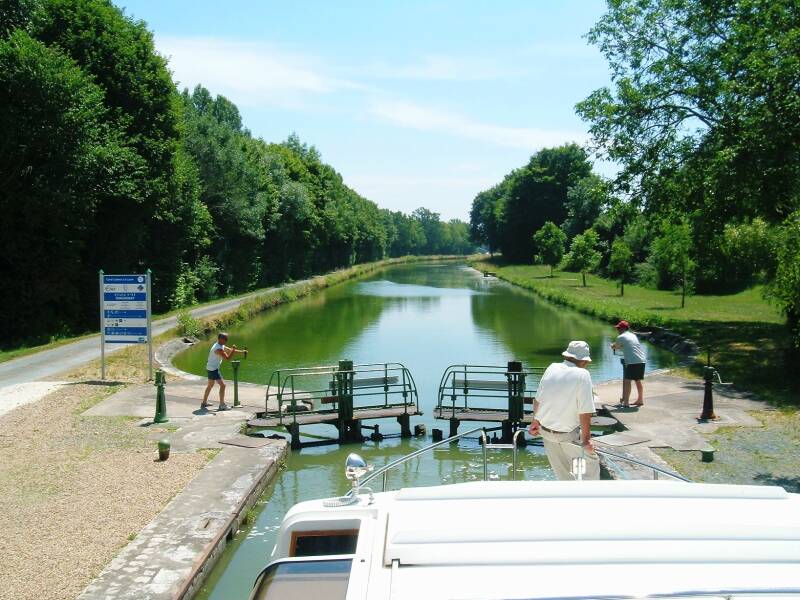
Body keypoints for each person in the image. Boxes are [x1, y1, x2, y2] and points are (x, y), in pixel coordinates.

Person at [528, 341, 599, 481]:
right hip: (568, 435)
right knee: (590, 471)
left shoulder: (552, 367)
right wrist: (586, 440)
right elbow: (585, 411)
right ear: (583, 361)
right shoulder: (583, 374)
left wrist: (534, 421)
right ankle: (589, 500)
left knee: (563, 476)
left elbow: (538, 399)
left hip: (546, 433)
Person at [202, 332, 246, 411]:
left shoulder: (220, 345)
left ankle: (204, 403)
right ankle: (222, 405)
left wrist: (242, 352)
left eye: (227, 339)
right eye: (225, 339)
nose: (226, 340)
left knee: (210, 386)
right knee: (223, 385)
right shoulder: (218, 348)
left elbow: (230, 350)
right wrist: (233, 350)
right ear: (220, 339)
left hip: (210, 368)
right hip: (214, 369)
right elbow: (227, 358)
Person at [610, 320, 646, 407]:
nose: (617, 330)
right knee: (638, 380)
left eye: (618, 328)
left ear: (623, 328)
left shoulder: (621, 337)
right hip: (641, 360)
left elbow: (616, 347)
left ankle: (626, 403)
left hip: (632, 361)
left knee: (627, 381)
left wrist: (612, 345)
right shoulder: (633, 335)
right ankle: (640, 400)